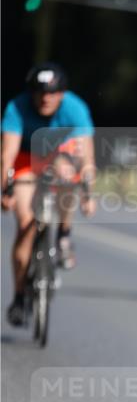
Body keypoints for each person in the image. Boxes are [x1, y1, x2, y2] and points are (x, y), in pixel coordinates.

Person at [1, 62, 96, 325]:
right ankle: (19, 295)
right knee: (25, 225)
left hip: (58, 156)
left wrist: (88, 193)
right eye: (40, 93)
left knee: (68, 171)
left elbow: (87, 157)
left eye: (52, 93)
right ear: (31, 93)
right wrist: (6, 188)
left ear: (62, 94)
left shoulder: (75, 108)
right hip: (25, 158)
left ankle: (64, 233)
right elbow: (7, 154)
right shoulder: (16, 107)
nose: (46, 99)